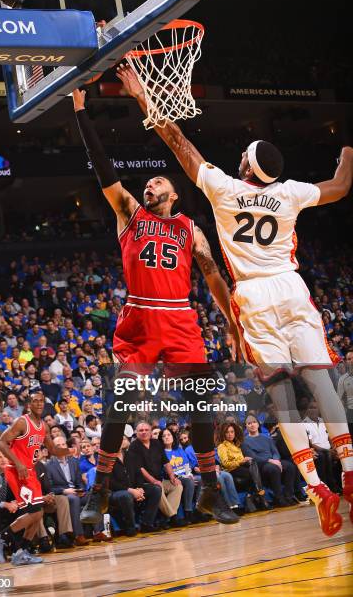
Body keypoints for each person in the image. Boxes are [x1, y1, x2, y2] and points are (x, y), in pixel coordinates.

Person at [116, 64, 353, 536]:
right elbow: (342, 185)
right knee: (323, 382)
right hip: (291, 286)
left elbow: (178, 141)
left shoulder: (224, 189)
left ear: (245, 168)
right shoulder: (290, 193)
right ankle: (349, 472)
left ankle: (314, 486)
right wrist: (347, 145)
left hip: (254, 294)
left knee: (281, 394)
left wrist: (143, 96)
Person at [72, 88, 239, 526]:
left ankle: (209, 489)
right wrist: (80, 111)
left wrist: (232, 323)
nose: (151, 184)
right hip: (142, 316)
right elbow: (104, 169)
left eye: (159, 181)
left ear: (174, 195)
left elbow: (214, 277)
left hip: (180, 317)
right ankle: (101, 490)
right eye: (148, 182)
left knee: (202, 402)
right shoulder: (129, 213)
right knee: (119, 404)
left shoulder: (190, 230)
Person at [0, 391, 75, 566]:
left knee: (38, 513)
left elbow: (54, 450)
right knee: (34, 512)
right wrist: (18, 464)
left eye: (42, 400)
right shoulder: (21, 422)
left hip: (30, 471)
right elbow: (2, 443)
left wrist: (70, 450)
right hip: (17, 471)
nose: (39, 403)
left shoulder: (44, 426)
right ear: (28, 404)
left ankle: (21, 552)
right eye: (35, 401)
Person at [242, 415, 296, 507]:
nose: (252, 425)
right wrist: (270, 460)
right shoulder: (245, 441)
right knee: (273, 468)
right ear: (246, 426)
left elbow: (275, 451)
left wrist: (276, 460)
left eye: (254, 422)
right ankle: (278, 498)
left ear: (258, 424)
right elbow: (253, 457)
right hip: (261, 465)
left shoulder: (266, 438)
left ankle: (289, 496)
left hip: (273, 461)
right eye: (249, 423)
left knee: (290, 466)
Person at [46, 436, 90, 547]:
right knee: (73, 499)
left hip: (75, 492)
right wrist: (65, 491)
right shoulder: (49, 466)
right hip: (62, 495)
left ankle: (99, 531)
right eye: (58, 446)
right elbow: (49, 488)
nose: (61, 447)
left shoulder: (74, 461)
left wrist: (81, 490)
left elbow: (79, 481)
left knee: (94, 495)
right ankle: (78, 535)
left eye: (63, 444)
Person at [217, 422, 269, 509]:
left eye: (232, 432)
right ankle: (260, 495)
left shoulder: (236, 445)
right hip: (231, 470)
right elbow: (225, 464)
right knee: (251, 474)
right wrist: (241, 461)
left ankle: (254, 495)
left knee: (252, 463)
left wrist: (245, 460)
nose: (230, 434)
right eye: (227, 432)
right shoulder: (222, 446)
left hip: (240, 468)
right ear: (223, 434)